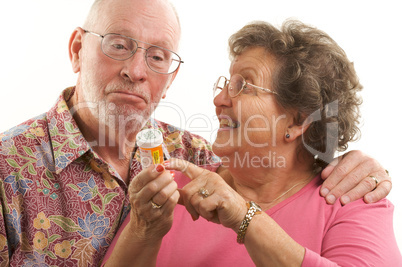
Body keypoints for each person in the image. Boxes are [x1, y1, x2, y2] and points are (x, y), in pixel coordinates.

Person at [0, 0, 391, 265]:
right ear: (76, 50)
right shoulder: (8, 166)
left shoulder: (194, 158)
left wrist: (357, 162)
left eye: (157, 57)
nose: (136, 71)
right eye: (118, 45)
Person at [102, 20, 401, 266]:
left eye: (243, 86)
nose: (219, 100)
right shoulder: (173, 188)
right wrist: (144, 230)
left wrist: (245, 216)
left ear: (298, 121)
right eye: (225, 84)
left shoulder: (352, 201)